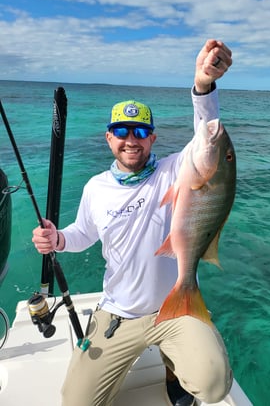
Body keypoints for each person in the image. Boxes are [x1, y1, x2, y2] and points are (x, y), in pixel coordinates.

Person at [32, 39, 233, 406]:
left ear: (152, 137)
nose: (131, 140)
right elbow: (83, 233)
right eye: (122, 131)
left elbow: (207, 132)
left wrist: (203, 85)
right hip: (118, 313)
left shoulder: (176, 169)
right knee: (76, 403)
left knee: (214, 384)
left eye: (140, 132)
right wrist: (58, 239)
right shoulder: (96, 188)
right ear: (109, 137)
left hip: (173, 308)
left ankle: (175, 363)